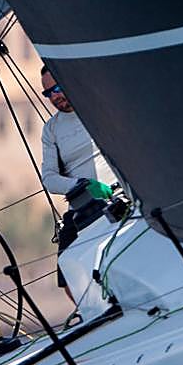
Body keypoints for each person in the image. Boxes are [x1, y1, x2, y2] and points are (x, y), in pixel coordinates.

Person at [39, 66, 115, 292]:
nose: (54, 97)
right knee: (67, 280)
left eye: (57, 89)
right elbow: (49, 178)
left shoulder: (98, 108)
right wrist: (83, 185)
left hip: (117, 196)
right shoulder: (51, 130)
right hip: (82, 205)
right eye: (48, 93)